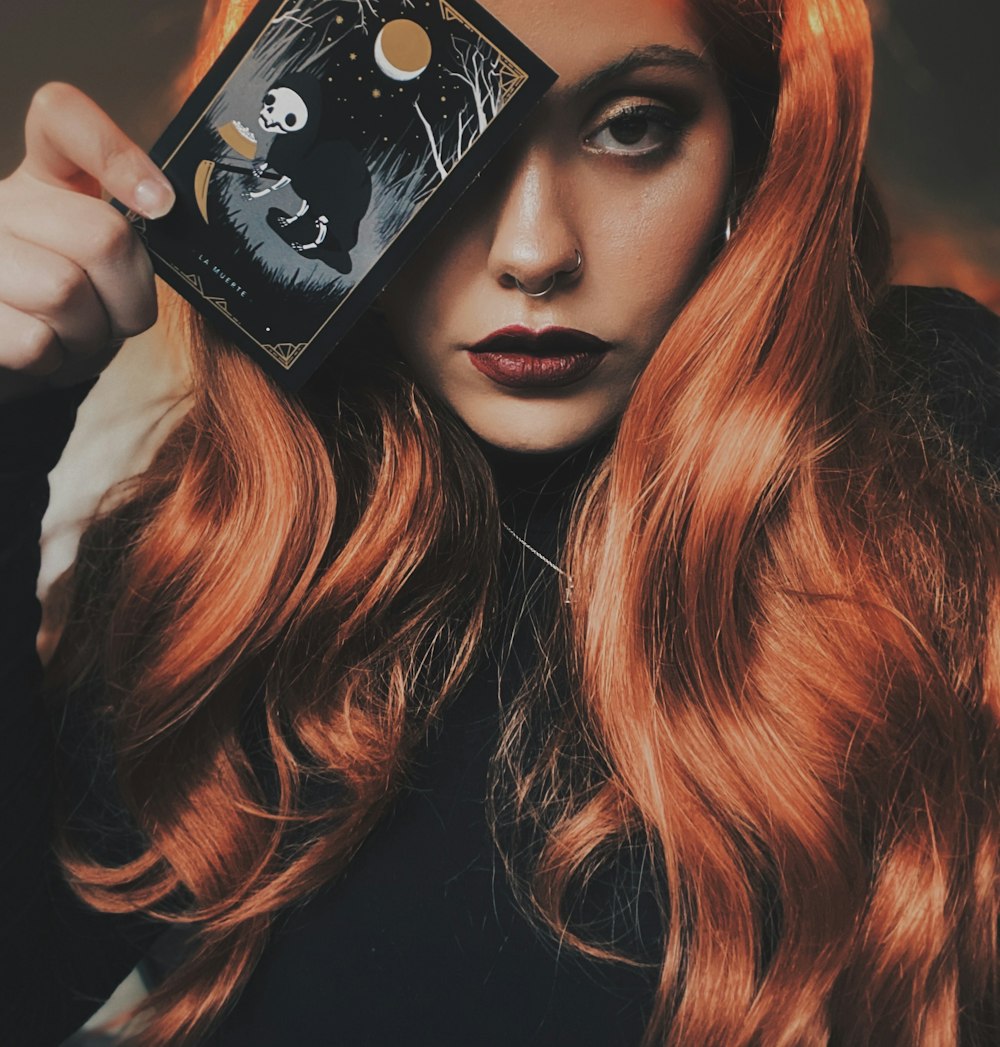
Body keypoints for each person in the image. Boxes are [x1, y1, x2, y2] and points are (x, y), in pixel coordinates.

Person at [2, 0, 998, 1044]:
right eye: (447, 137)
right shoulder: (218, 559)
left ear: (750, 152)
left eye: (630, 125)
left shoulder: (936, 442)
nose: (533, 251)